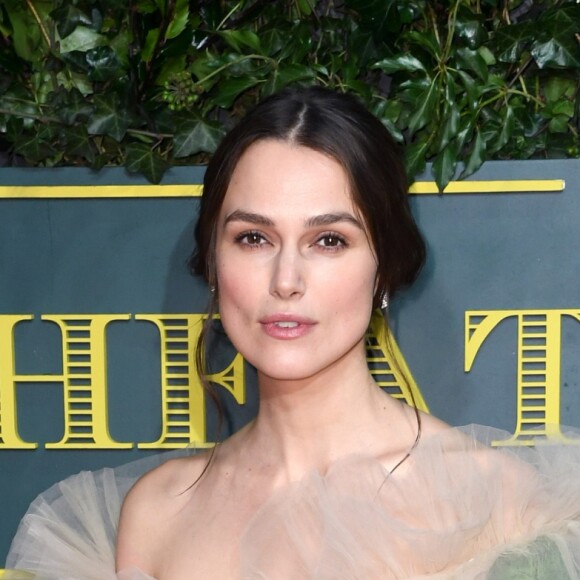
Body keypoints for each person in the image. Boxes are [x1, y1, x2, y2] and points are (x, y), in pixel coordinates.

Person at [6, 86, 580, 579]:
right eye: (253, 238)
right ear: (212, 262)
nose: (285, 281)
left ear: (385, 268)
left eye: (329, 240)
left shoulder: (492, 501)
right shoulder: (157, 515)